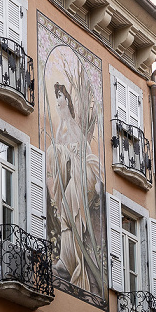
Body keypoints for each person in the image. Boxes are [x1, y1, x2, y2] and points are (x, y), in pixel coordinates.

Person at [47, 82, 101, 292]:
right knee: (65, 214)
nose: (57, 100)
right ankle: (66, 260)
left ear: (67, 100)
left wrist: (69, 155)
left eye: (60, 96)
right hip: (71, 177)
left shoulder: (74, 127)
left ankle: (71, 261)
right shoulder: (61, 127)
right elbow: (57, 151)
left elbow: (85, 153)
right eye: (56, 97)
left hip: (82, 175)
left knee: (70, 208)